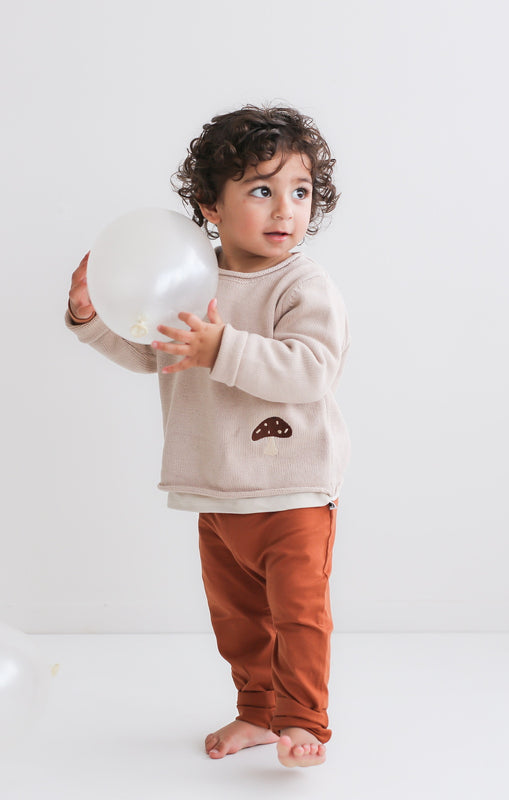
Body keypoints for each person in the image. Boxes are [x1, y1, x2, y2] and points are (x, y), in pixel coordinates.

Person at [67, 104, 350, 768]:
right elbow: (148, 352)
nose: (285, 208)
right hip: (216, 489)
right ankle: (255, 711)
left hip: (292, 488)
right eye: (261, 189)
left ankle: (302, 721)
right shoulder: (185, 276)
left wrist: (221, 346)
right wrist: (91, 317)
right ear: (210, 207)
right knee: (238, 622)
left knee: (298, 616)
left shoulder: (302, 283)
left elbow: (309, 370)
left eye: (299, 191)